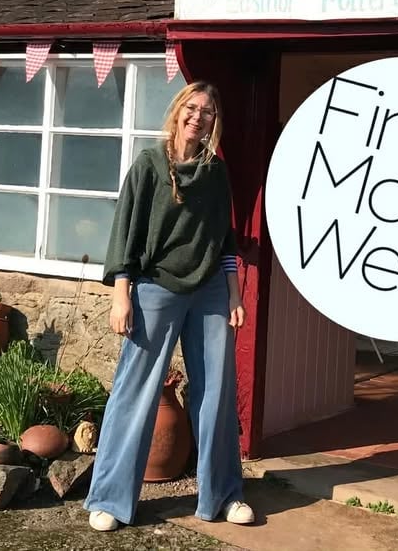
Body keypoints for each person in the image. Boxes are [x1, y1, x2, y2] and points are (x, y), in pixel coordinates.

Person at [84, 80, 255, 532]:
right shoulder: (149, 164)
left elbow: (225, 239)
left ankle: (224, 495)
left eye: (209, 112)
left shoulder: (215, 172)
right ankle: (109, 499)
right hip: (154, 287)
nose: (199, 117)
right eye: (193, 108)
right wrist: (122, 293)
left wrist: (235, 292)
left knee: (216, 394)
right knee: (135, 391)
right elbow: (126, 230)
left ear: (214, 122)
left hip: (211, 290)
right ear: (179, 111)